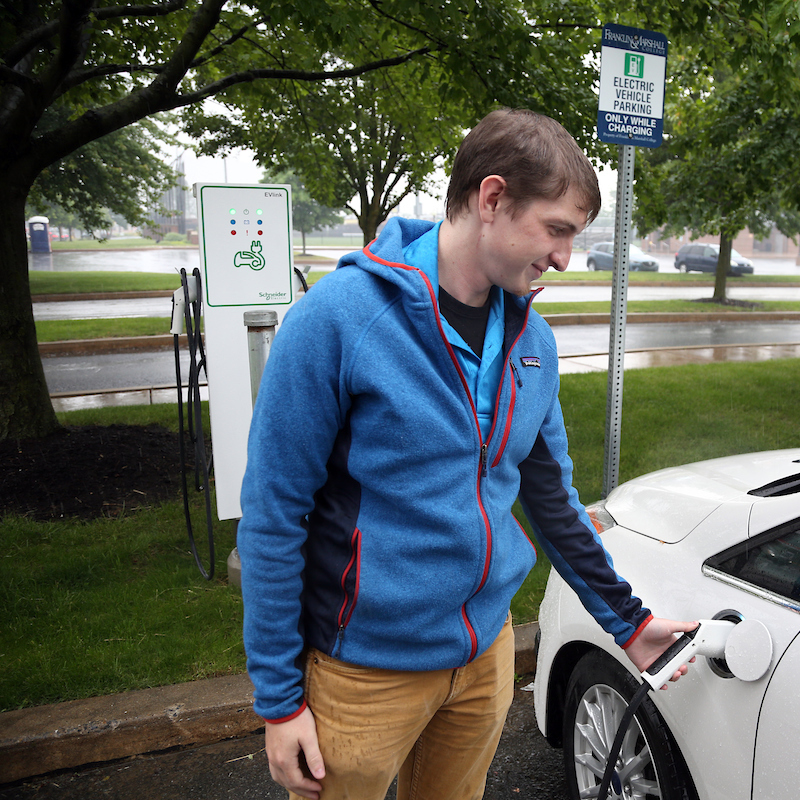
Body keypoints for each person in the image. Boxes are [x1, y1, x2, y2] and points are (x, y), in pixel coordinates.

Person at [237, 107, 697, 800]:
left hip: (484, 661)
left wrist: (627, 623)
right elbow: (273, 515)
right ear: (492, 199)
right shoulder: (337, 320)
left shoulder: (532, 343)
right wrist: (279, 700)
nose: (566, 258)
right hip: (362, 672)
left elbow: (551, 501)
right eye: (558, 230)